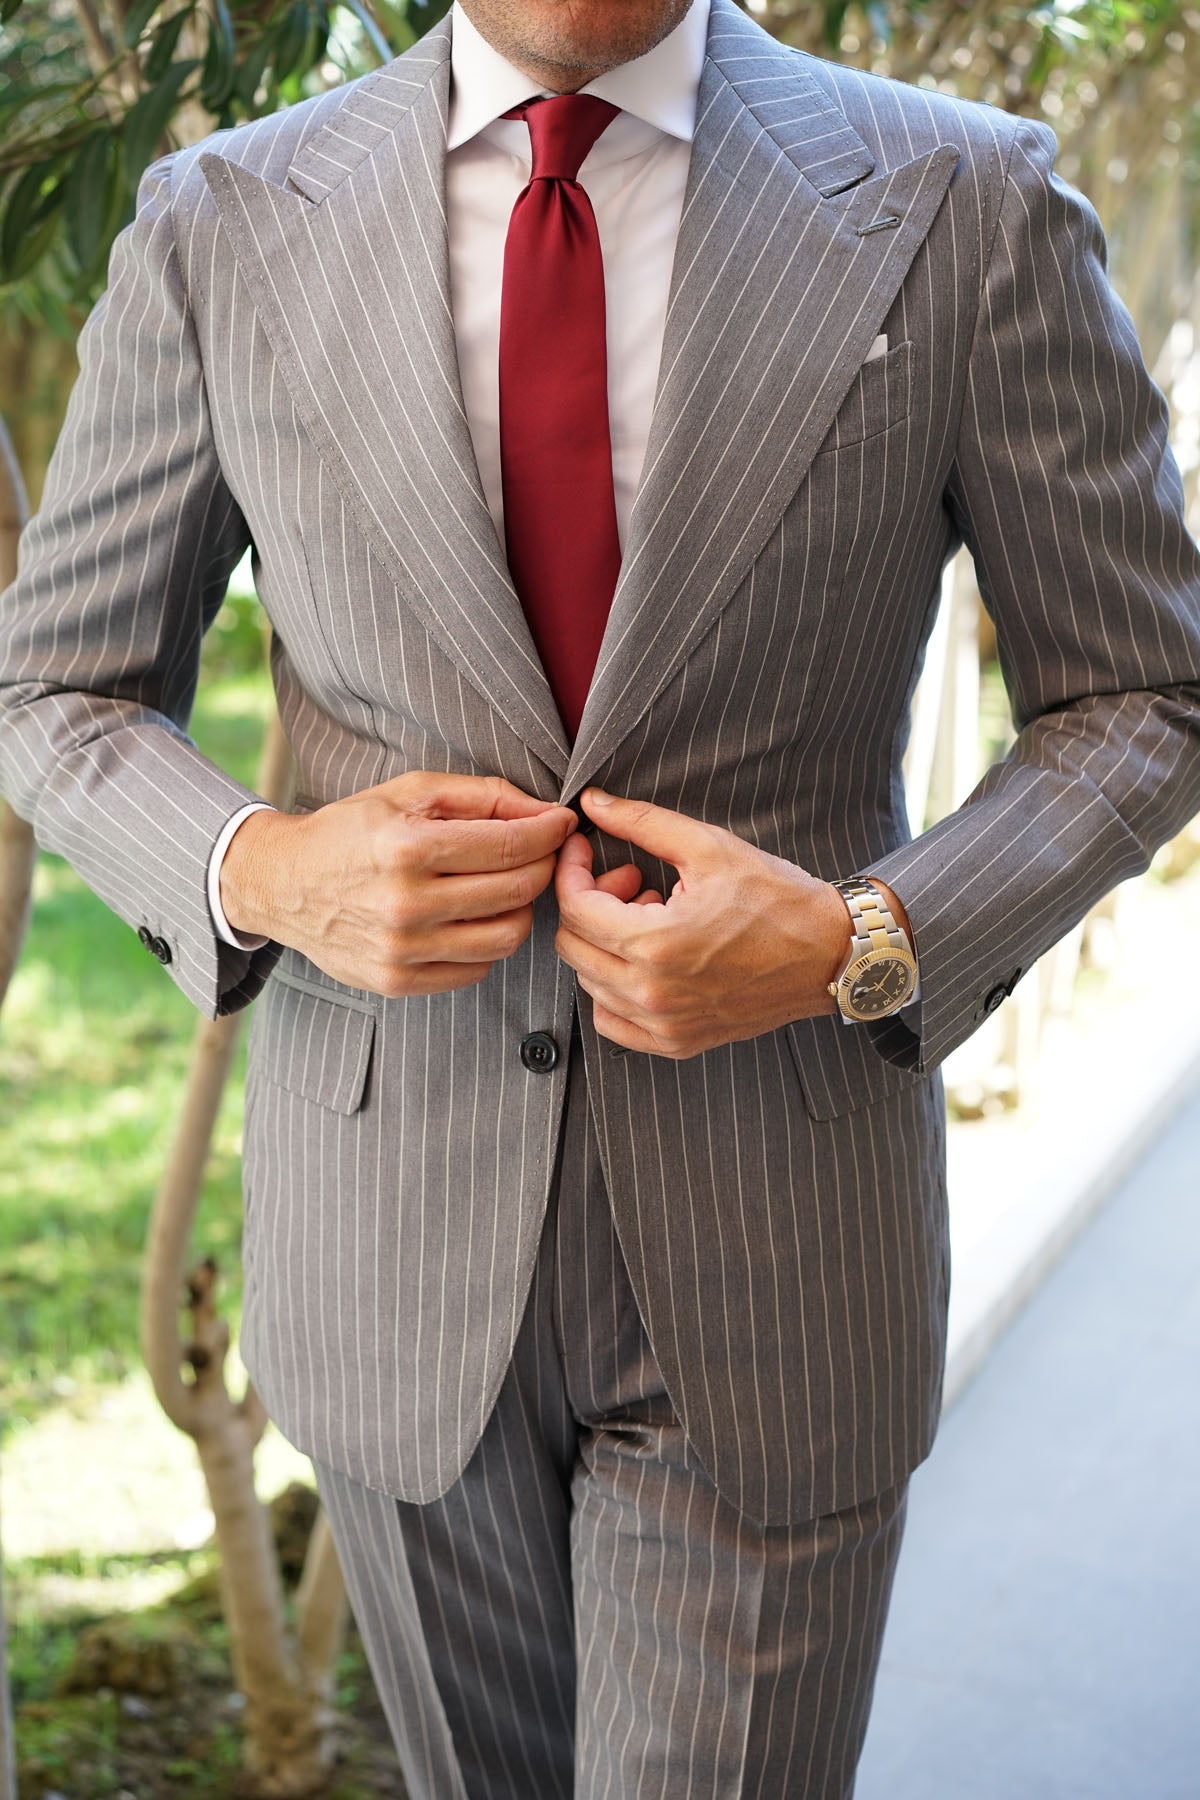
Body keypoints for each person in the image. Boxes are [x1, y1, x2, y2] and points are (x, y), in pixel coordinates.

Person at [3, 0, 1199, 1791]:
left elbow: (1144, 691)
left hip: (778, 1240)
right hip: (391, 1247)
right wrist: (266, 872)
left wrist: (868, 939)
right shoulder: (220, 218)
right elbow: (55, 692)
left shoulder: (965, 201)